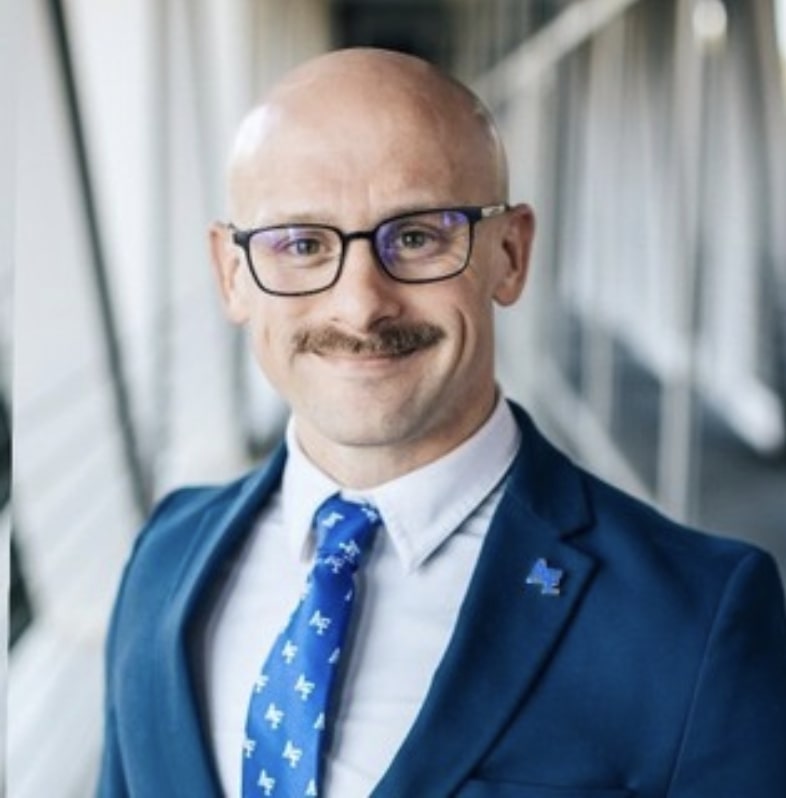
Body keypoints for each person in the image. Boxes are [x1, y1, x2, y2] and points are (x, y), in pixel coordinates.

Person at [97, 48, 786, 798]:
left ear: (510, 255)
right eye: (300, 244)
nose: (360, 305)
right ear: (232, 275)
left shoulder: (695, 616)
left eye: (418, 236)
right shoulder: (162, 560)